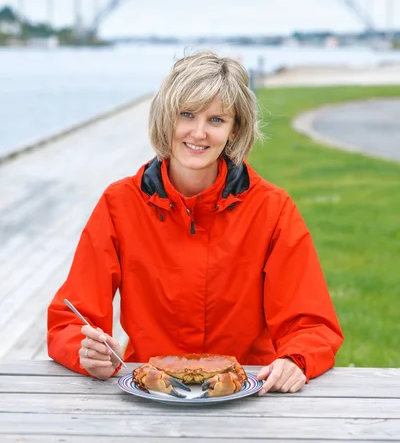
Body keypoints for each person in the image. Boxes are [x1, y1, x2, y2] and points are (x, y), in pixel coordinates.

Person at [47, 50, 343, 395]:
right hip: (150, 391)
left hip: (248, 393)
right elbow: (71, 318)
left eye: (217, 120)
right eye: (186, 115)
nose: (199, 133)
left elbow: (311, 323)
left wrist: (297, 359)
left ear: (235, 131)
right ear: (166, 119)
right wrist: (85, 352)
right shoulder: (119, 204)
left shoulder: (272, 209)